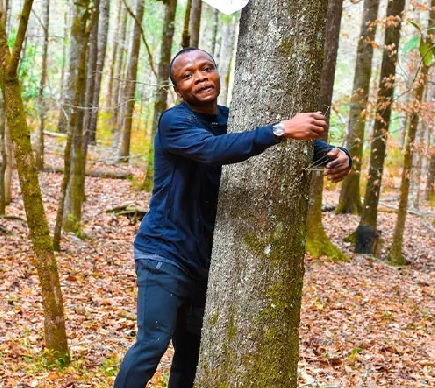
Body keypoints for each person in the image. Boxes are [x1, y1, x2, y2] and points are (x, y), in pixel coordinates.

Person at [114, 47, 351, 388]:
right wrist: (282, 128)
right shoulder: (175, 122)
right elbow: (215, 150)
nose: (200, 77)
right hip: (163, 255)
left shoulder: (232, 118)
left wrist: (338, 155)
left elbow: (290, 144)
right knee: (152, 343)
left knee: (192, 352)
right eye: (188, 75)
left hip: (205, 262)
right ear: (178, 89)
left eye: (206, 68)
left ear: (217, 72)